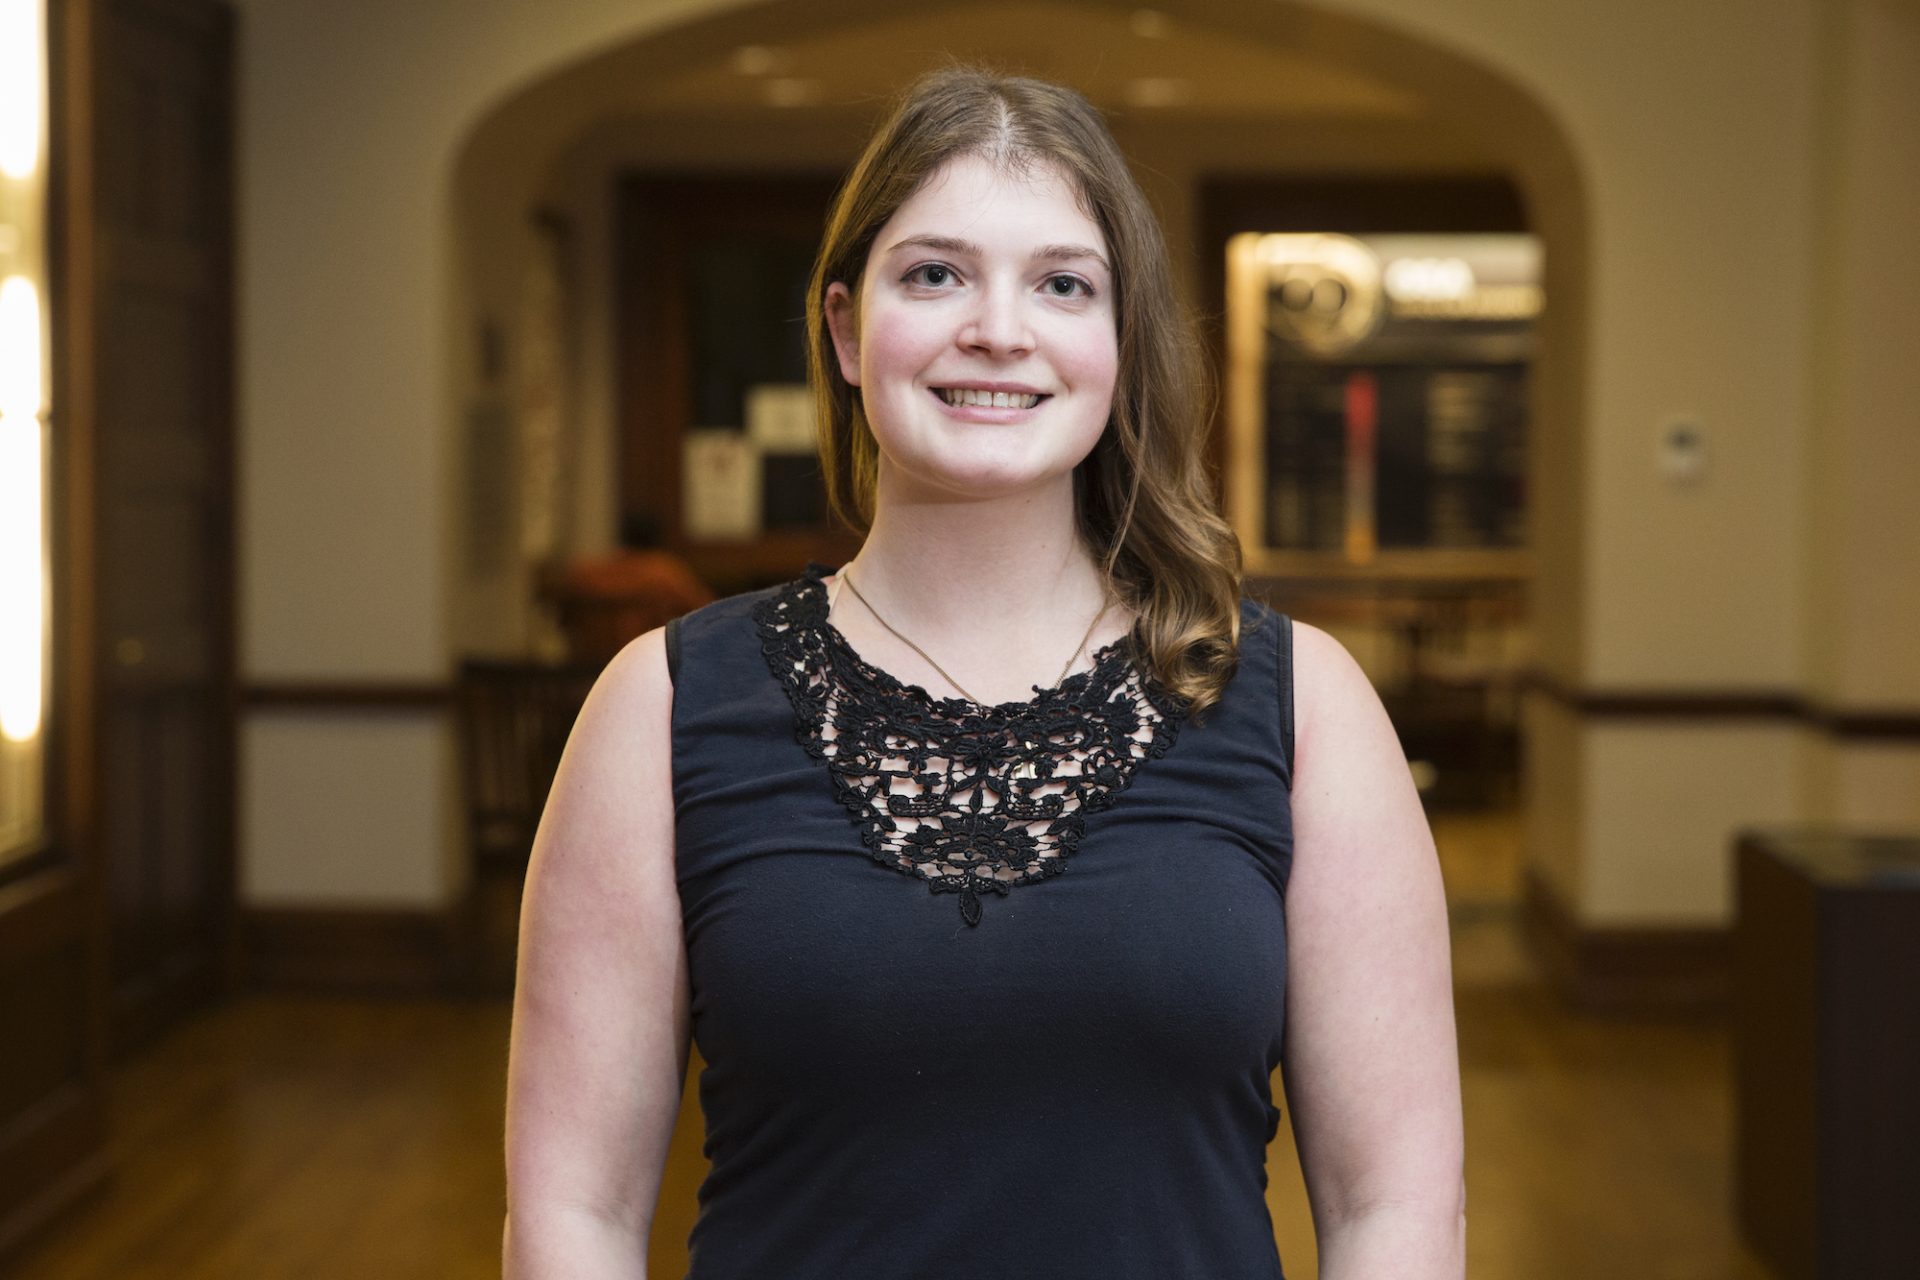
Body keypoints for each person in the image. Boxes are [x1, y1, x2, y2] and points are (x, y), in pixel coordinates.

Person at [503, 67, 1463, 1279]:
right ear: (848, 329)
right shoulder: (664, 703)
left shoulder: (1301, 705)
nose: (998, 329)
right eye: (935, 273)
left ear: (1121, 342)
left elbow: (1396, 1211)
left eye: (1063, 283)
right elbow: (572, 1215)